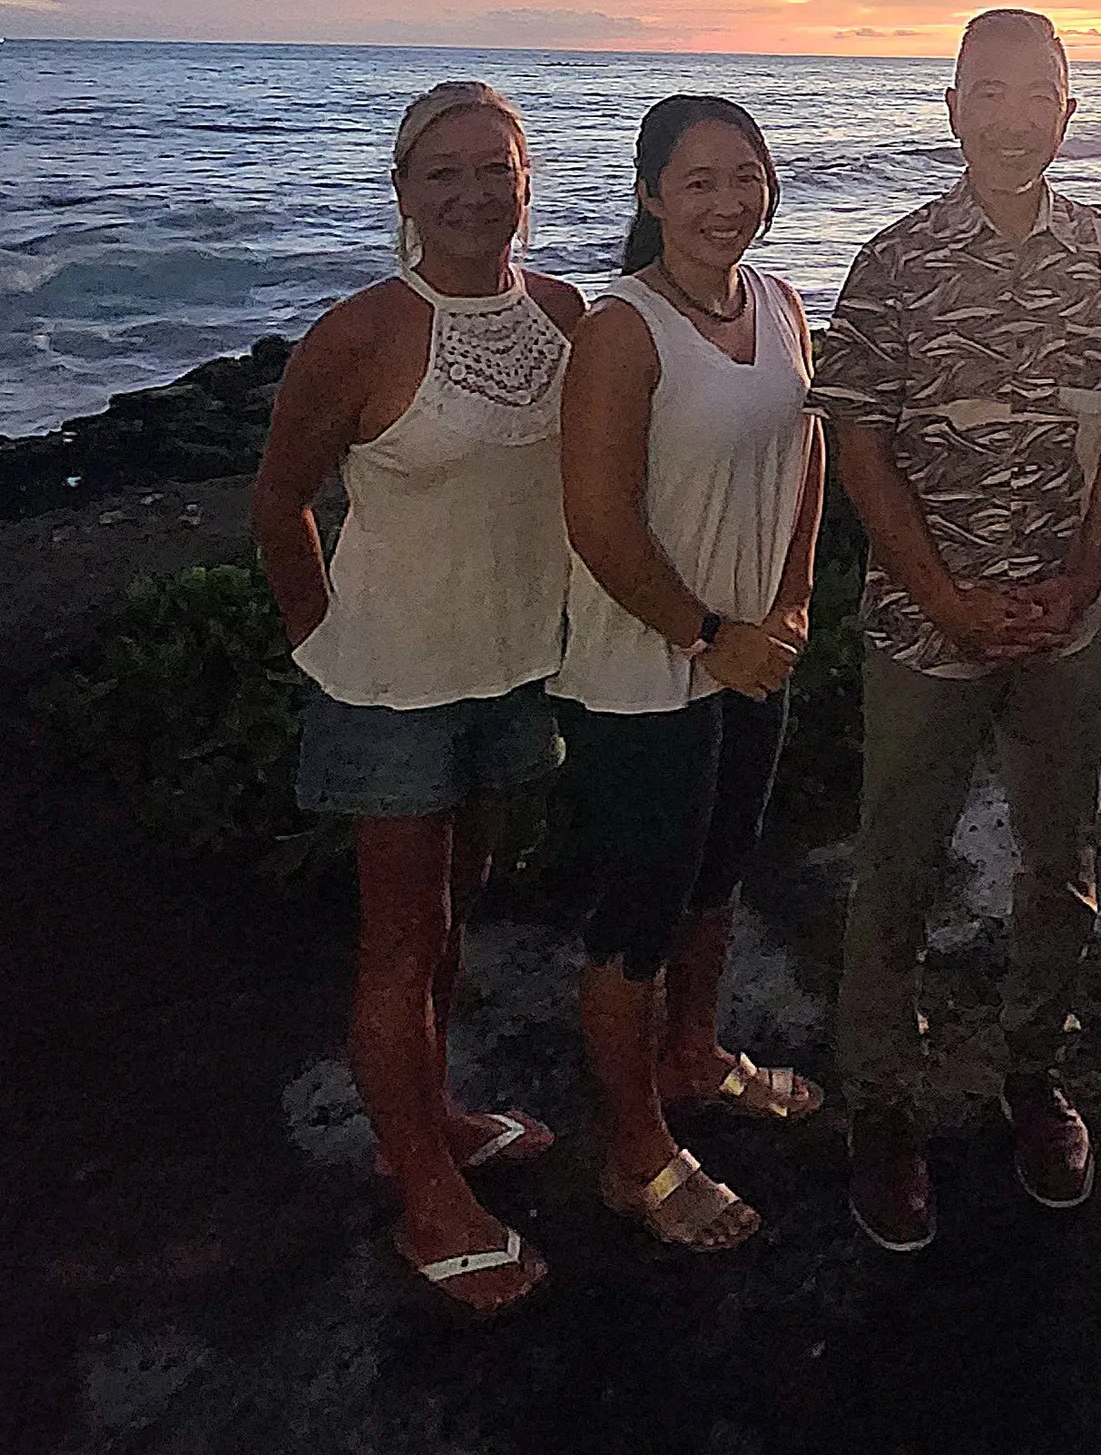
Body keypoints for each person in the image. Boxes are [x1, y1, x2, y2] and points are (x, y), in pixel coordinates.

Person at [820, 9, 1101, 1252]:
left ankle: (1035, 1076)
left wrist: (1083, 578)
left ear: (1070, 111)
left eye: (1042, 93)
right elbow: (856, 436)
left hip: (1069, 622)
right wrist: (942, 594)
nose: (1016, 115)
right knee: (896, 867)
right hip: (927, 629)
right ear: (953, 104)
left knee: (1059, 859)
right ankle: (883, 1109)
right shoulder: (894, 260)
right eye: (992, 90)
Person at [252, 80, 582, 1318]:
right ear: (402, 192)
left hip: (515, 667)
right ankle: (424, 1193)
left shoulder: (561, 311)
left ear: (525, 179)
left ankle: (437, 1110)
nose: (470, 192)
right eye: (440, 171)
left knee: (460, 915)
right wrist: (323, 638)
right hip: (393, 685)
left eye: (492, 166)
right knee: (399, 943)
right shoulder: (358, 334)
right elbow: (280, 502)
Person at [555, 96, 827, 1253]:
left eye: (746, 176)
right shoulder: (622, 328)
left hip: (752, 650)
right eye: (700, 181)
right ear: (651, 196)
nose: (728, 202)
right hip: (639, 673)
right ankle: (633, 1154)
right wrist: (709, 631)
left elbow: (810, 454)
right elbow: (597, 521)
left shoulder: (778, 302)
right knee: (636, 918)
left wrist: (795, 600)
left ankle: (696, 1053)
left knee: (719, 876)